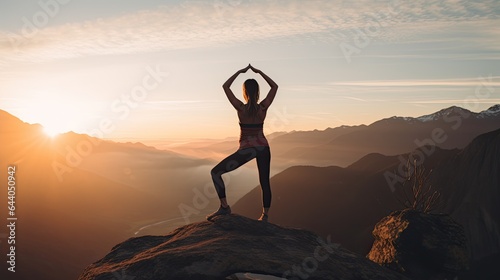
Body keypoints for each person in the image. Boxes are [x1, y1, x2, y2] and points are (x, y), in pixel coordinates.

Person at [207, 64, 278, 222]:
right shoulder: (263, 108)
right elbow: (275, 86)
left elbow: (225, 86)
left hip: (247, 150)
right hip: (263, 147)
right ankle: (265, 216)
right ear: (258, 92)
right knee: (264, 181)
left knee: (216, 172)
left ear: (244, 92)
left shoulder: (240, 108)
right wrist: (260, 72)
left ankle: (224, 207)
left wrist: (239, 72)